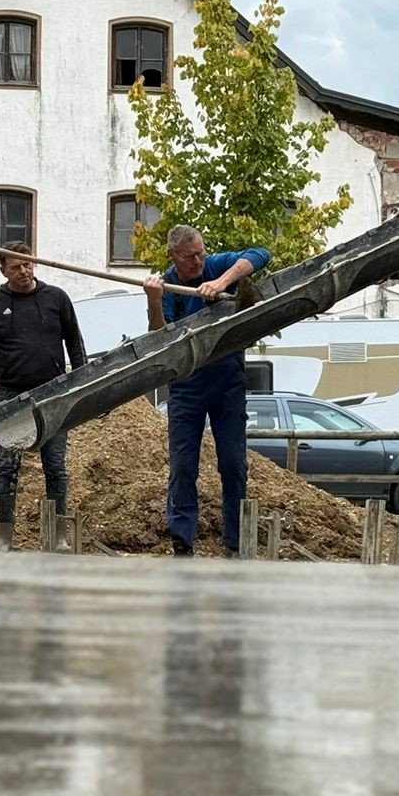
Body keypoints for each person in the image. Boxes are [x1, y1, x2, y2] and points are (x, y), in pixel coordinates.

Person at [144, 224, 270, 556]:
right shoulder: (167, 286)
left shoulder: (214, 266)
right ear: (173, 256)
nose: (198, 261)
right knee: (183, 465)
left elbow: (261, 254)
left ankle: (235, 542)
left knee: (233, 462)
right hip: (187, 385)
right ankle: (182, 540)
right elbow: (158, 337)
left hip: (228, 380)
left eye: (200, 252)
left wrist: (223, 281)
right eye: (189, 257)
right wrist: (154, 300)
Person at [0, 249, 86, 549]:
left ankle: (59, 538)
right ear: (3, 270)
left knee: (55, 466)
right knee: (7, 468)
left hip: (53, 393)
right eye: (16, 267)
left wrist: (81, 380)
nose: (23, 271)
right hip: (11, 396)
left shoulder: (56, 299)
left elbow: (75, 342)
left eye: (28, 264)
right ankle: (4, 540)